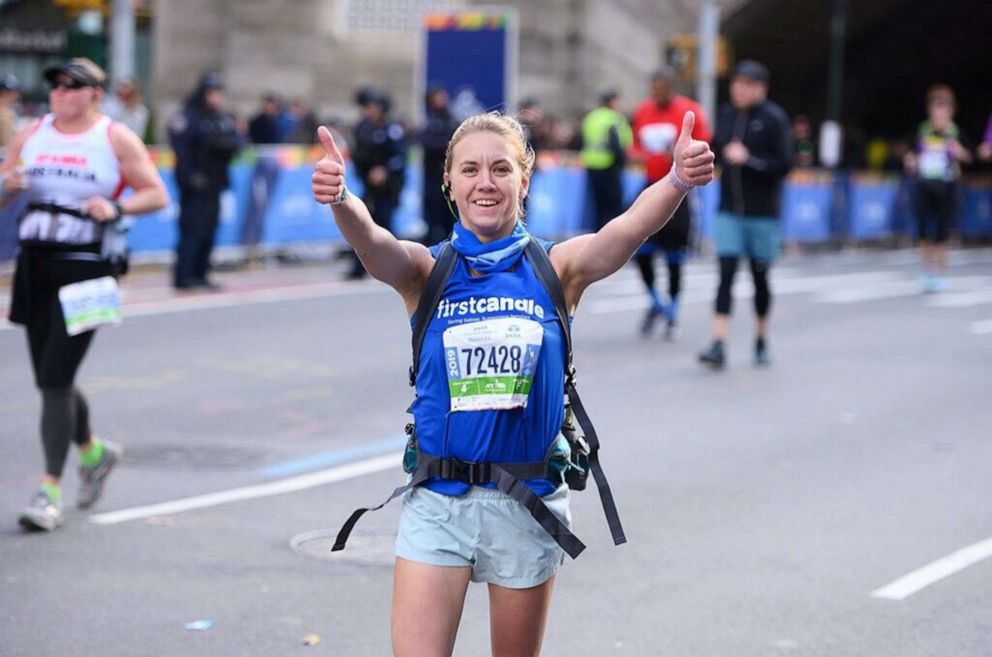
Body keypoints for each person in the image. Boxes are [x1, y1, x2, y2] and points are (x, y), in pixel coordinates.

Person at [311, 110, 713, 656]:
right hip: (438, 504)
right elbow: (374, 244)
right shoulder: (427, 271)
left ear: (525, 179)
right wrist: (342, 200)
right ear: (448, 182)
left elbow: (627, 229)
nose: (486, 182)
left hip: (527, 506)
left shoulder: (557, 268)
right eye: (470, 169)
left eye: (501, 169)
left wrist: (676, 182)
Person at [0, 58, 167, 531]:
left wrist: (115, 206)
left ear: (95, 93)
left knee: (55, 380)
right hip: (36, 265)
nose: (60, 91)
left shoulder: (114, 137)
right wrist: (5, 184)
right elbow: (3, 191)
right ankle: (94, 452)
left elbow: (156, 193)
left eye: (72, 85)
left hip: (90, 269)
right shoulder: (30, 134)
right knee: (51, 379)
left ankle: (48, 490)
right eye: (54, 83)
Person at [698, 60, 792, 369]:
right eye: (735, 83)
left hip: (762, 215)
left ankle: (762, 339)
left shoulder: (774, 119)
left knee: (760, 278)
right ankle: (718, 343)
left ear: (761, 88)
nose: (738, 89)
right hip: (728, 211)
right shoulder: (725, 114)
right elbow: (715, 148)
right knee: (725, 274)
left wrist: (748, 159)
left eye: (746, 84)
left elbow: (783, 165)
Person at [630, 68, 711, 338]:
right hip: (650, 185)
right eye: (654, 88)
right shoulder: (643, 111)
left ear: (672, 87)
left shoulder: (690, 111)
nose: (658, 93)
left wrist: (684, 156)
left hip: (679, 189)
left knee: (674, 257)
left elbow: (706, 145)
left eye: (662, 88)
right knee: (640, 251)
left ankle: (673, 311)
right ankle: (656, 301)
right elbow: (636, 145)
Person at [168, 72, 242, 290]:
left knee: (209, 230)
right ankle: (185, 276)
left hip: (215, 182)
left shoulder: (219, 118)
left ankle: (200, 273)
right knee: (192, 230)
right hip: (195, 185)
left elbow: (236, 141)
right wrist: (190, 176)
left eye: (219, 93)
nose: (216, 98)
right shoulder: (190, 116)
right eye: (212, 93)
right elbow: (181, 146)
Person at [903, 85, 972, 292]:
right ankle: (927, 271)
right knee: (924, 231)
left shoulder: (955, 132)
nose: (940, 112)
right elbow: (908, 153)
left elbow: (970, 156)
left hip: (947, 186)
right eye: (937, 107)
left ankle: (940, 274)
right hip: (925, 185)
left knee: (942, 233)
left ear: (951, 111)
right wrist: (910, 161)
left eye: (945, 107)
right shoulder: (922, 130)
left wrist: (958, 151)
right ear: (930, 110)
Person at [348, 87, 407, 279]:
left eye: (373, 107)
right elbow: (359, 156)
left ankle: (397, 266)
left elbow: (400, 157)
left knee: (386, 227)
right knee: (360, 226)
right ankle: (358, 268)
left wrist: (385, 171)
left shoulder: (392, 130)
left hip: (386, 189)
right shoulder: (363, 129)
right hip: (369, 187)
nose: (370, 111)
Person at [580, 89, 633, 232]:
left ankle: (597, 235)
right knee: (613, 206)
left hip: (591, 166)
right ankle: (612, 235)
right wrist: (622, 162)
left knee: (597, 205)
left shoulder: (591, 117)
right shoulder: (615, 118)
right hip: (610, 167)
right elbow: (618, 145)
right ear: (612, 102)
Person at [419, 85, 459, 245]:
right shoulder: (429, 123)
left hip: (451, 179)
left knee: (451, 219)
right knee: (433, 221)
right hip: (433, 179)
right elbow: (428, 143)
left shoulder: (452, 120)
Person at [102, 77, 150, 142]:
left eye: (125, 86)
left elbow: (138, 134)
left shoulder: (140, 111)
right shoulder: (108, 105)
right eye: (119, 85)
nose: (120, 89)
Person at [1, 74, 20, 150]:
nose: (17, 96)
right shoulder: (6, 115)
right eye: (14, 92)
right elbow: (8, 145)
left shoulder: (7, 113)